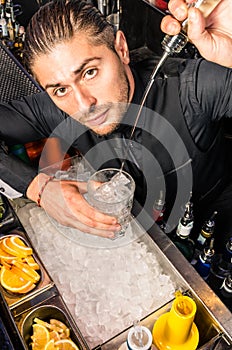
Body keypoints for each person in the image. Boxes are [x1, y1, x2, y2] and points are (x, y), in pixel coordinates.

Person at [0, 0, 231, 250]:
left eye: (89, 72)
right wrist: (37, 188)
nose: (84, 104)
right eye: (60, 89)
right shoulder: (57, 108)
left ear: (121, 49)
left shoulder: (193, 88)